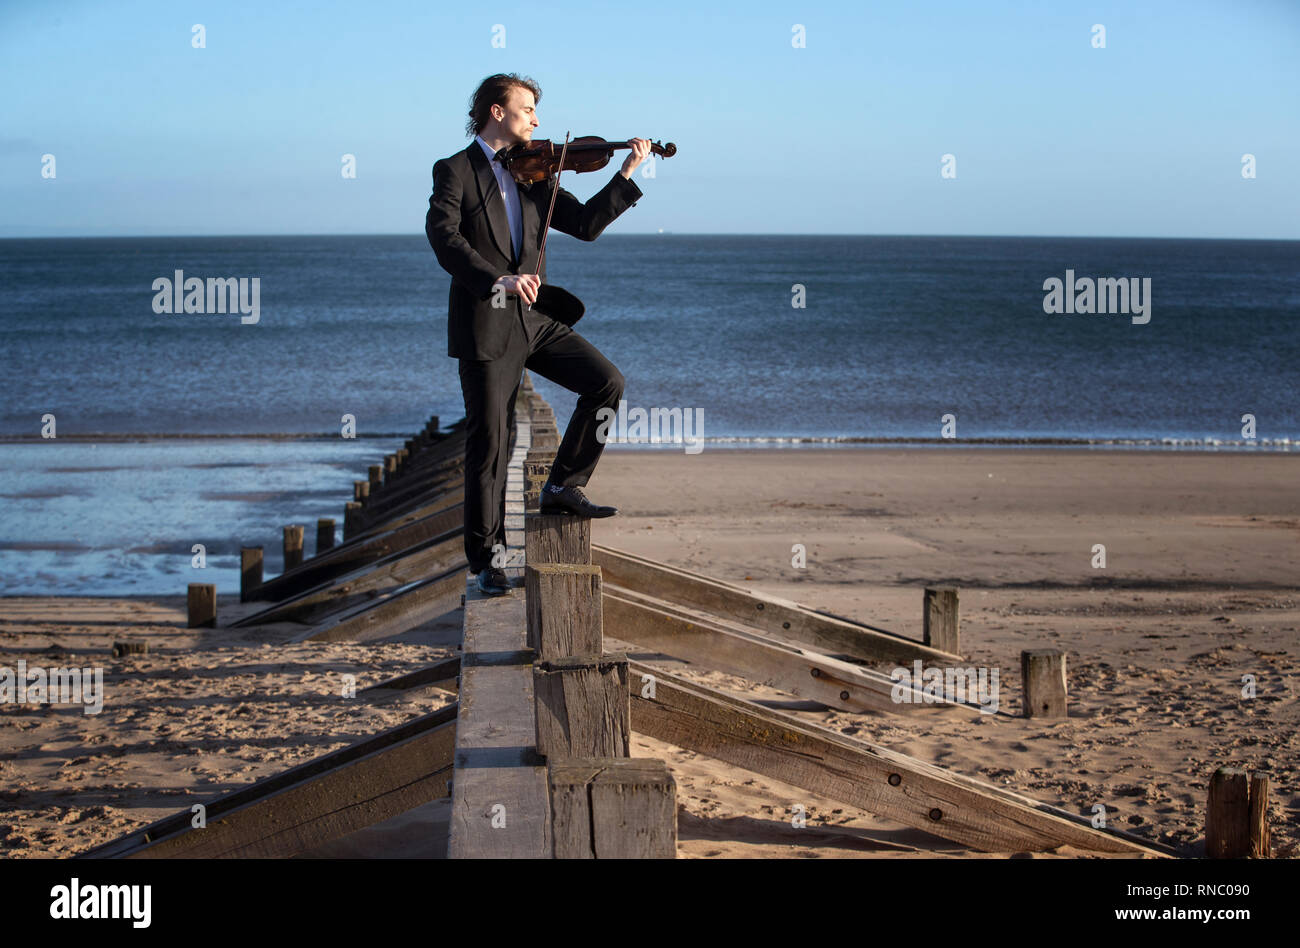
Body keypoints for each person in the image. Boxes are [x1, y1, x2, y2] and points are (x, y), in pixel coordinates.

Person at [425, 73, 651, 596]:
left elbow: (587, 224)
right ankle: (487, 561)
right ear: (497, 112)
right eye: (528, 109)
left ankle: (562, 486)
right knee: (491, 444)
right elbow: (444, 238)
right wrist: (495, 277)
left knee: (606, 383)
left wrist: (627, 171)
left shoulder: (535, 174)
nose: (537, 120)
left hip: (534, 319)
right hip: (488, 316)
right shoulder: (454, 170)